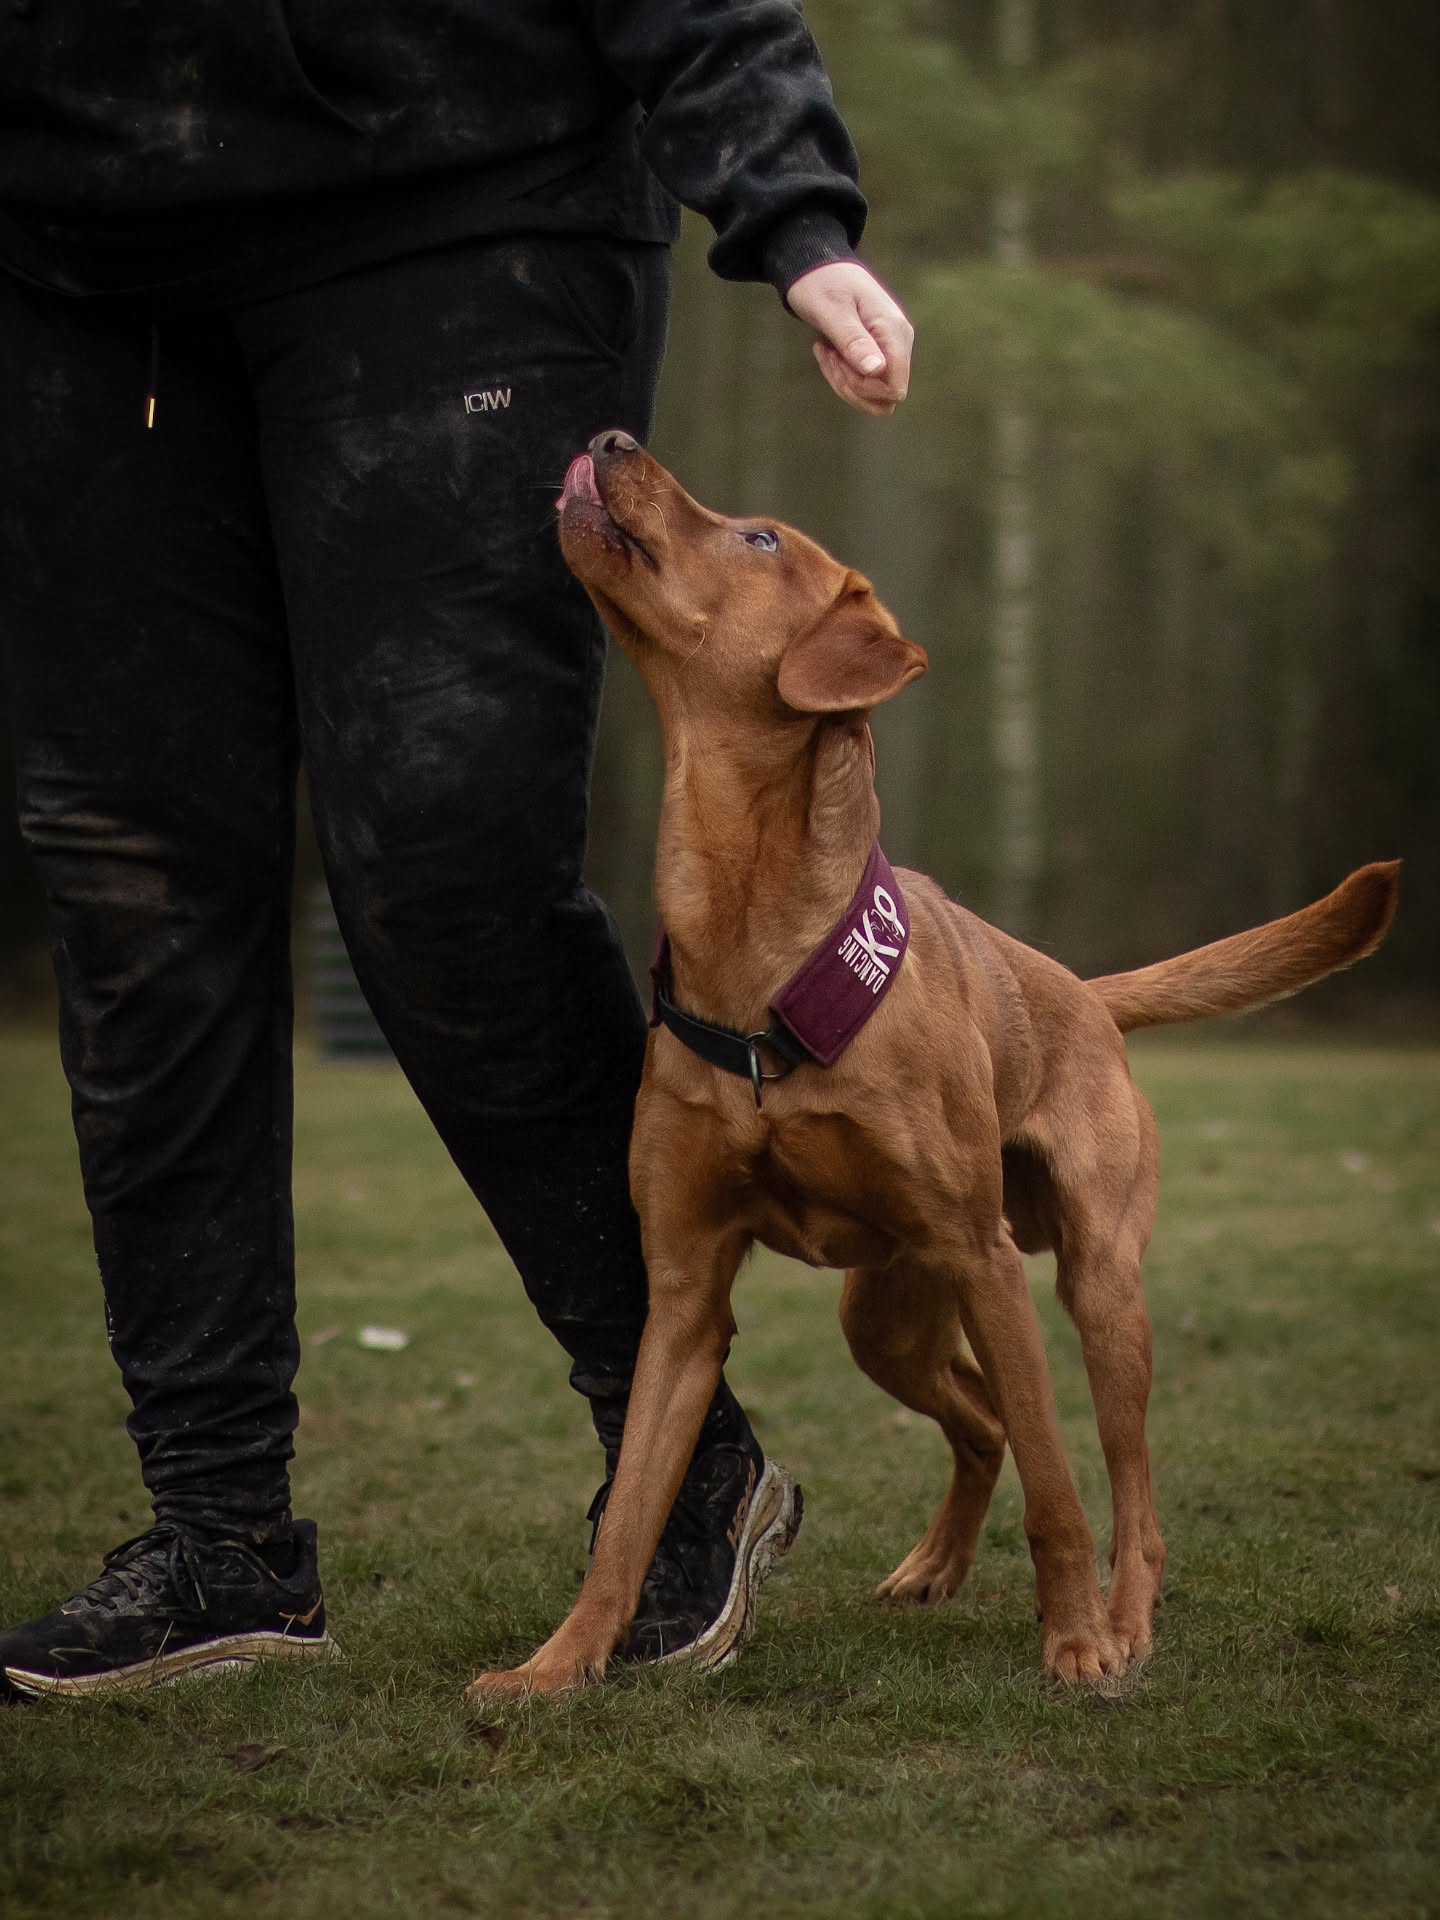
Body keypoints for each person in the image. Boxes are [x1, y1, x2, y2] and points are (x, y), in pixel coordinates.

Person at [0, 1, 913, 1698]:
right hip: (81, 253)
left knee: (443, 867)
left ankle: (686, 1461)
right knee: (129, 878)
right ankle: (220, 1539)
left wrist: (788, 200)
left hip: (459, 203)